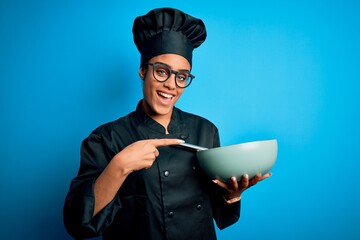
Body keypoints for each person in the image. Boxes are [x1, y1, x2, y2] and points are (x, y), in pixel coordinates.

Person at [63, 7, 271, 240]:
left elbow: (221, 216)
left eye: (181, 76)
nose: (171, 85)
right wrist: (119, 166)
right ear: (143, 71)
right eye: (162, 71)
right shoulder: (105, 138)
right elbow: (77, 224)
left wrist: (233, 195)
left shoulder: (205, 130)